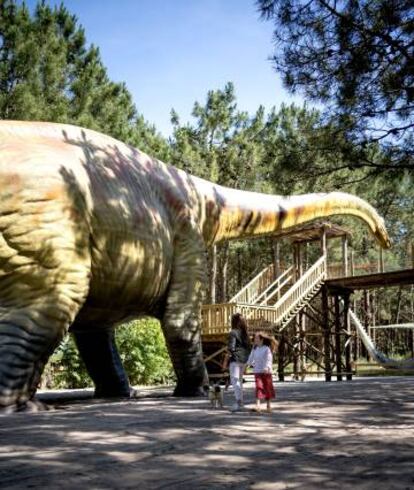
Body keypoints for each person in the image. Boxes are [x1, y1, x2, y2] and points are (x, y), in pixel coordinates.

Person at [226, 313, 251, 412]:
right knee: (239, 381)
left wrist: (229, 354)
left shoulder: (233, 333)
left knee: (235, 381)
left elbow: (231, 347)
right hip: (244, 359)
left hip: (235, 359)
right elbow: (249, 347)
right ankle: (241, 402)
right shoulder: (245, 334)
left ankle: (238, 402)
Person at [247, 332, 277, 413]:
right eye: (254, 338)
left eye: (256, 338)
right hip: (257, 371)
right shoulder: (254, 348)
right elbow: (250, 357)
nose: (255, 340)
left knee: (267, 388)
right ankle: (258, 405)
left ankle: (268, 405)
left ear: (262, 339)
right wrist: (247, 365)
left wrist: (267, 367)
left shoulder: (266, 348)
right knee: (258, 387)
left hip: (266, 372)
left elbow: (269, 359)